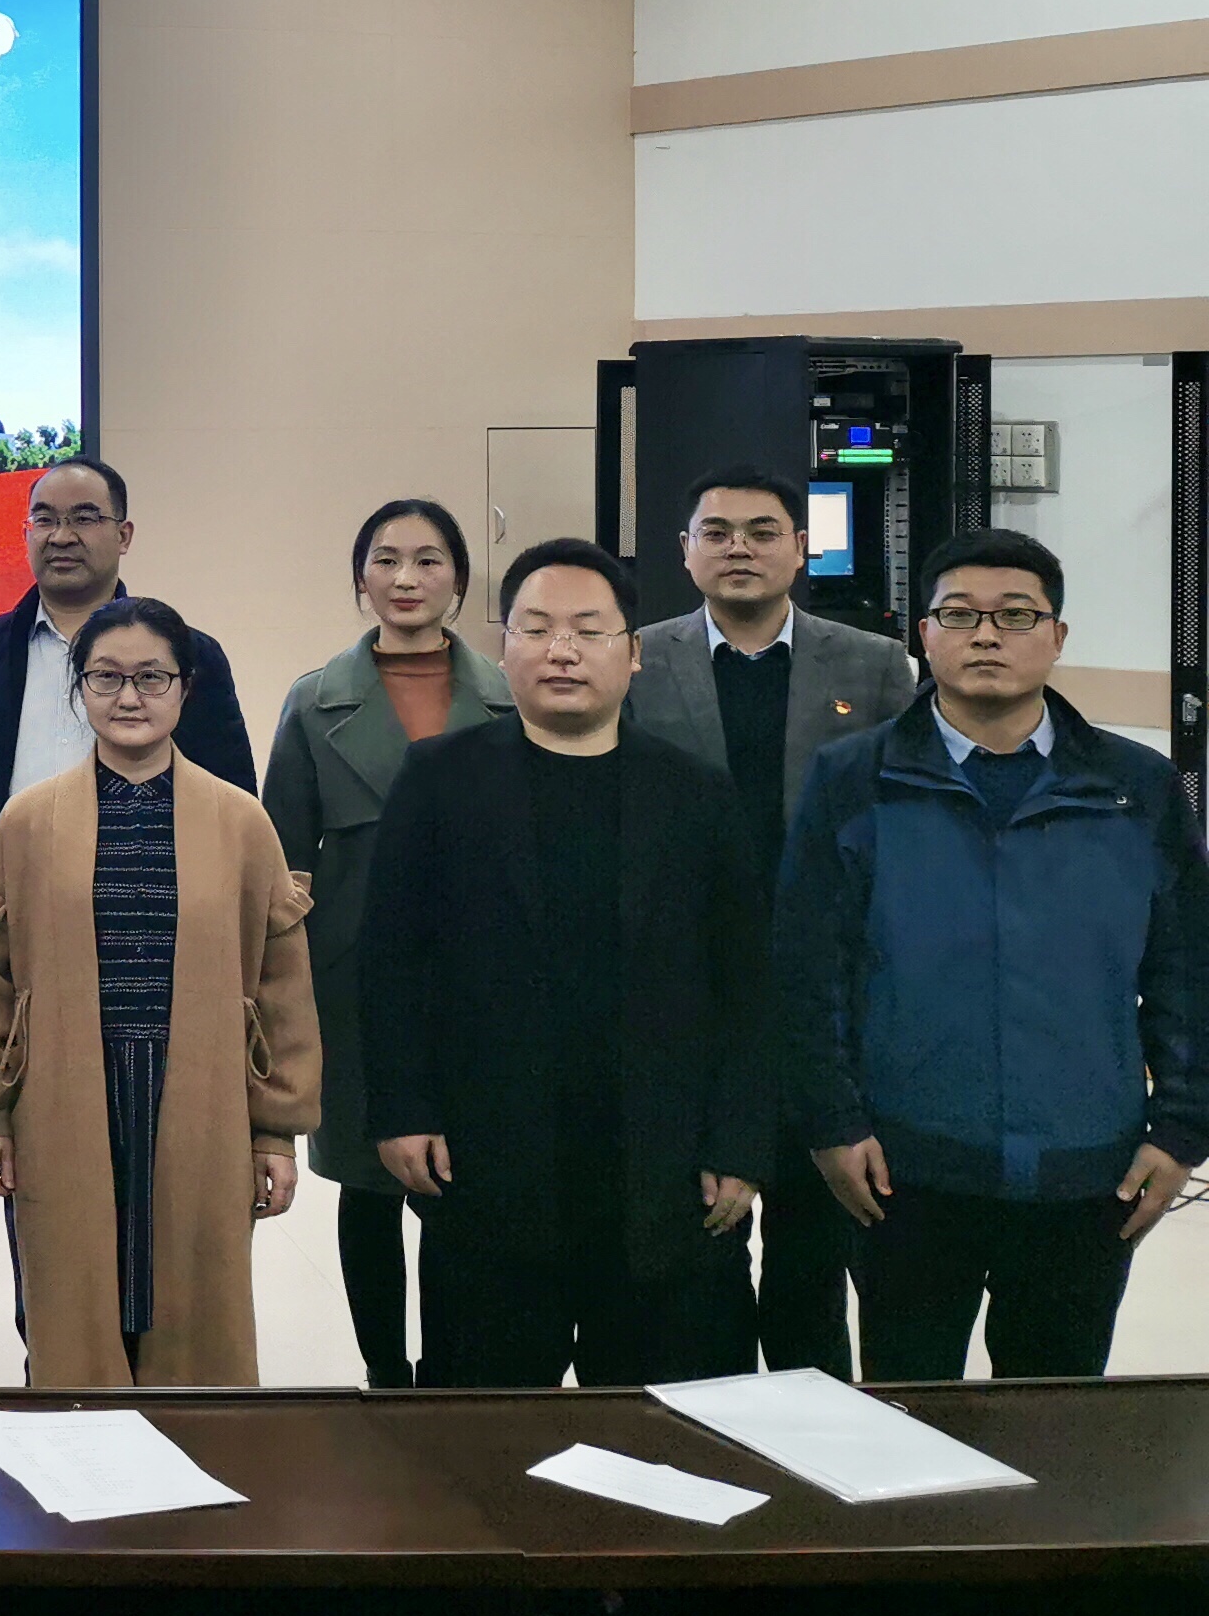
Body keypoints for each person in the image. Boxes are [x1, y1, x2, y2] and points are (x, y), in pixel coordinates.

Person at [780, 530, 1207, 1382]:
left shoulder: (1137, 788)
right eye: (959, 615)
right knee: (909, 1408)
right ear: (923, 635)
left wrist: (1183, 1130)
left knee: (1055, 1416)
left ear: (1057, 636)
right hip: (905, 1167)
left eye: (1015, 615)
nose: (985, 635)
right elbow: (807, 968)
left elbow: (1187, 969)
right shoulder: (854, 780)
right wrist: (833, 1125)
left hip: (1087, 1170)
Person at [366, 540, 769, 1389]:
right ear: (503, 646)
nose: (562, 651)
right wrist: (402, 1108)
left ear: (634, 653)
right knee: (489, 1429)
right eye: (537, 629)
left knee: (673, 1429)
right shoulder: (439, 778)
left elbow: (745, 983)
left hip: (666, 1174)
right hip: (488, 1163)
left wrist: (739, 1139)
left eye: (589, 631)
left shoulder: (695, 792)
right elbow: (392, 959)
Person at [0, 598, 318, 1387]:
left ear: (185, 688)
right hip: (65, 1090)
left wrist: (276, 1131)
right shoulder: (26, 823)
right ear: (79, 688)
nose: (128, 697)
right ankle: (84, 1453)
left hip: (199, 1090)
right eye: (106, 677)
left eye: (151, 677)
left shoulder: (241, 822)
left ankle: (193, 1453)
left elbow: (282, 985)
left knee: (194, 1300)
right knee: (73, 1299)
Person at [628, 467, 917, 1379]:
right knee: (694, 1249)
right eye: (716, 533)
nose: (739, 549)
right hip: (686, 985)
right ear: (685, 551)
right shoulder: (639, 658)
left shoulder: (872, 664)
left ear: (800, 548)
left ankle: (810, 1417)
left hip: (822, 985)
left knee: (811, 1257)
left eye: (762, 532)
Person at [260, 498, 515, 1389]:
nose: (407, 579)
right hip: (354, 974)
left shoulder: (508, 694)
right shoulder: (313, 699)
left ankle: (451, 1376)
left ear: (459, 580)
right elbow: (283, 860)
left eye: (429, 560)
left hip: (486, 972)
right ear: (360, 578)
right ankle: (384, 1375)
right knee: (368, 1185)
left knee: (466, 1186)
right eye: (387, 560)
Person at [0, 458, 255, 868]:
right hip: (1, 889)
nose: (61, 537)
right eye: (44, 520)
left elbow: (230, 790)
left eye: (84, 518)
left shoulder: (189, 653)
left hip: (145, 886)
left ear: (123, 535)